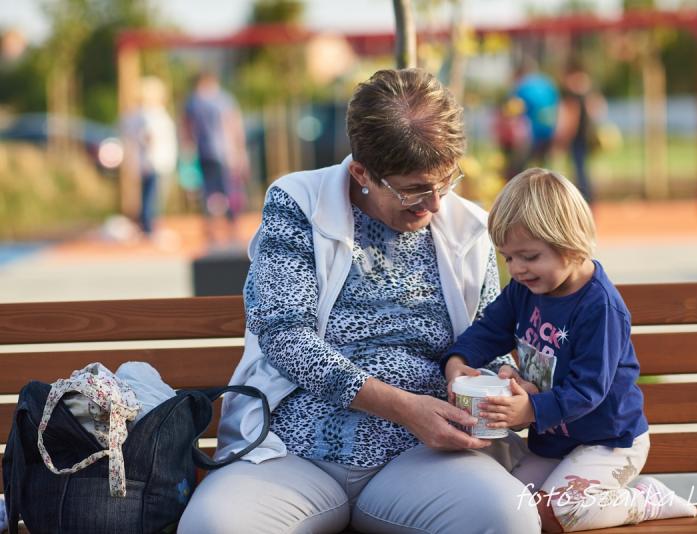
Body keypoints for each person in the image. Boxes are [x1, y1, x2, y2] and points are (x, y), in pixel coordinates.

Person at [177, 68, 541, 533]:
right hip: (294, 453)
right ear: (361, 172)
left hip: (423, 457)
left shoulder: (468, 225)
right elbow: (286, 338)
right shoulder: (299, 205)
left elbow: (489, 339)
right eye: (412, 190)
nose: (433, 205)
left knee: (505, 517)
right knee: (213, 526)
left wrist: (494, 376)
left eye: (445, 181)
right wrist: (404, 407)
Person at [443, 168, 697, 532]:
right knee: (514, 507)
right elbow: (489, 329)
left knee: (562, 513)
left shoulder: (600, 307)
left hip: (610, 442)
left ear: (570, 244)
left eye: (528, 256)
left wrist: (530, 409)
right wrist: (458, 361)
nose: (516, 270)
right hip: (556, 441)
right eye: (507, 257)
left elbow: (588, 389)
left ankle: (644, 498)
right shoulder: (526, 289)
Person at [183, 72, 248, 246]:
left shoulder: (193, 101)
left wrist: (188, 148)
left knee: (207, 190)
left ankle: (210, 228)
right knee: (229, 189)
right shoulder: (224, 100)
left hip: (203, 152)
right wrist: (239, 151)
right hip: (225, 152)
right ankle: (232, 227)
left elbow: (187, 127)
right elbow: (233, 124)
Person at [122, 76, 177, 239]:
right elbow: (149, 136)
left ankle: (146, 224)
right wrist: (150, 153)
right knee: (152, 195)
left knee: (148, 194)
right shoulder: (150, 114)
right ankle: (148, 226)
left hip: (147, 161)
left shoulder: (135, 114)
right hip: (155, 161)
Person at [555, 59, 606, 205]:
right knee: (583, 169)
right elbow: (598, 108)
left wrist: (564, 136)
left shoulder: (573, 93)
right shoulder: (588, 89)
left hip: (577, 137)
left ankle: (584, 201)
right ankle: (587, 199)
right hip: (585, 135)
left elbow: (572, 116)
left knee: (579, 171)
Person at [513, 60, 560, 168]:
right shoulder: (548, 83)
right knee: (544, 163)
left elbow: (515, 108)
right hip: (549, 127)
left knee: (524, 162)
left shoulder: (523, 87)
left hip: (531, 130)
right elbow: (557, 104)